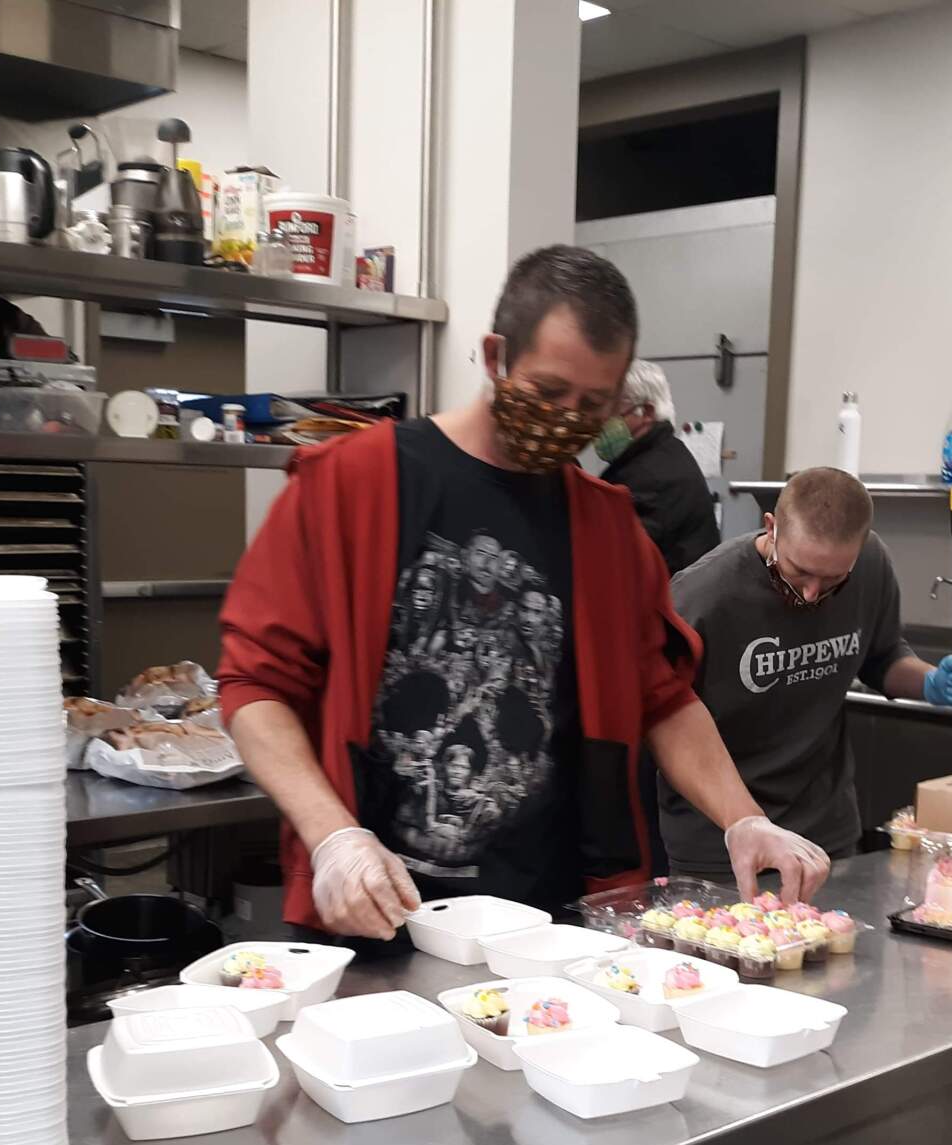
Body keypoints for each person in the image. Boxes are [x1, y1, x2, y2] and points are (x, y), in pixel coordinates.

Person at [218, 245, 829, 941]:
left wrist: (742, 819)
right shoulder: (353, 484)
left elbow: (663, 696)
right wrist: (332, 839)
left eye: (592, 406)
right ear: (494, 355)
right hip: (372, 908)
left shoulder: (606, 527)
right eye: (547, 392)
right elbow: (253, 685)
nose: (567, 418)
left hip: (547, 924)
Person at [660, 466, 952, 878]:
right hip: (723, 843)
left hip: (826, 835)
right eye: (799, 571)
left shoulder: (871, 564)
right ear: (771, 528)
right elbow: (662, 717)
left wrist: (931, 682)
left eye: (834, 579)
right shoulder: (700, 598)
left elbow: (882, 658)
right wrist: (741, 821)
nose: (812, 593)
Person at [593, 359, 721, 576]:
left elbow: (612, 566)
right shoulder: (668, 453)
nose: (599, 423)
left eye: (611, 412)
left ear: (647, 412)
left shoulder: (646, 478)